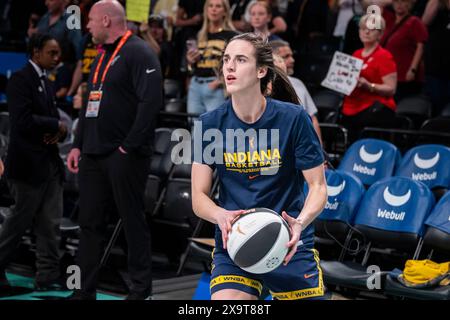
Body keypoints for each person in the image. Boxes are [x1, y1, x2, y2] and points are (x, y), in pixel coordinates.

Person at [191, 33, 327, 300]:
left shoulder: (294, 118)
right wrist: (220, 215)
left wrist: (300, 222)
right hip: (237, 243)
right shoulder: (209, 124)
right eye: (226, 59)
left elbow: (318, 186)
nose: (229, 66)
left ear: (261, 70)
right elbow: (198, 196)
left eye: (240, 60)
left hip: (290, 243)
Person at [66, 0, 162, 300]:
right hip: (93, 154)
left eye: (91, 20)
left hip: (125, 155)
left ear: (106, 20)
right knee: (89, 224)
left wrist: (127, 147)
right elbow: (88, 102)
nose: (87, 26)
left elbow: (151, 104)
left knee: (132, 220)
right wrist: (78, 145)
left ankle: (139, 291)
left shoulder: (138, 51)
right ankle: (84, 291)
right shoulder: (100, 56)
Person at [0, 33, 67, 291]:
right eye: (51, 53)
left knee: (50, 224)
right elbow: (22, 121)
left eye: (58, 53)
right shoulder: (20, 79)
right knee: (17, 223)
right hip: (26, 166)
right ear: (36, 52)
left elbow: (47, 124)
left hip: (49, 165)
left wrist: (57, 131)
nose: (56, 58)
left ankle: (48, 276)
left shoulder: (47, 83)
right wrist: (54, 125)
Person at [340, 14, 398, 142]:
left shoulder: (384, 56)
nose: (366, 31)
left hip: (373, 108)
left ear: (380, 34)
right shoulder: (356, 54)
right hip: (352, 106)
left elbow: (391, 88)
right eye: (363, 28)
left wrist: (369, 86)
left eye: (372, 29)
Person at [186, 0, 238, 115]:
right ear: (206, 10)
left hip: (216, 87)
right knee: (194, 126)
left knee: (215, 129)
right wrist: (190, 62)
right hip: (195, 85)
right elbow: (191, 67)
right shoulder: (199, 35)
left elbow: (238, 64)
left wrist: (221, 80)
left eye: (218, 6)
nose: (214, 9)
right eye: (211, 6)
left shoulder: (232, 36)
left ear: (225, 12)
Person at [270, 40, 322, 142]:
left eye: (291, 56)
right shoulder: (262, 86)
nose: (292, 60)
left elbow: (312, 118)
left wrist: (319, 147)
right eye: (285, 57)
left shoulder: (298, 83)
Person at [381, 0, 428, 101]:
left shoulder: (414, 21)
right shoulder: (390, 19)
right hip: (389, 73)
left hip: (405, 74)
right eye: (397, 2)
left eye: (403, 2)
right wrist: (391, 2)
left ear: (409, 5)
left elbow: (421, 46)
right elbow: (377, 5)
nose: (399, 5)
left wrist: (413, 69)